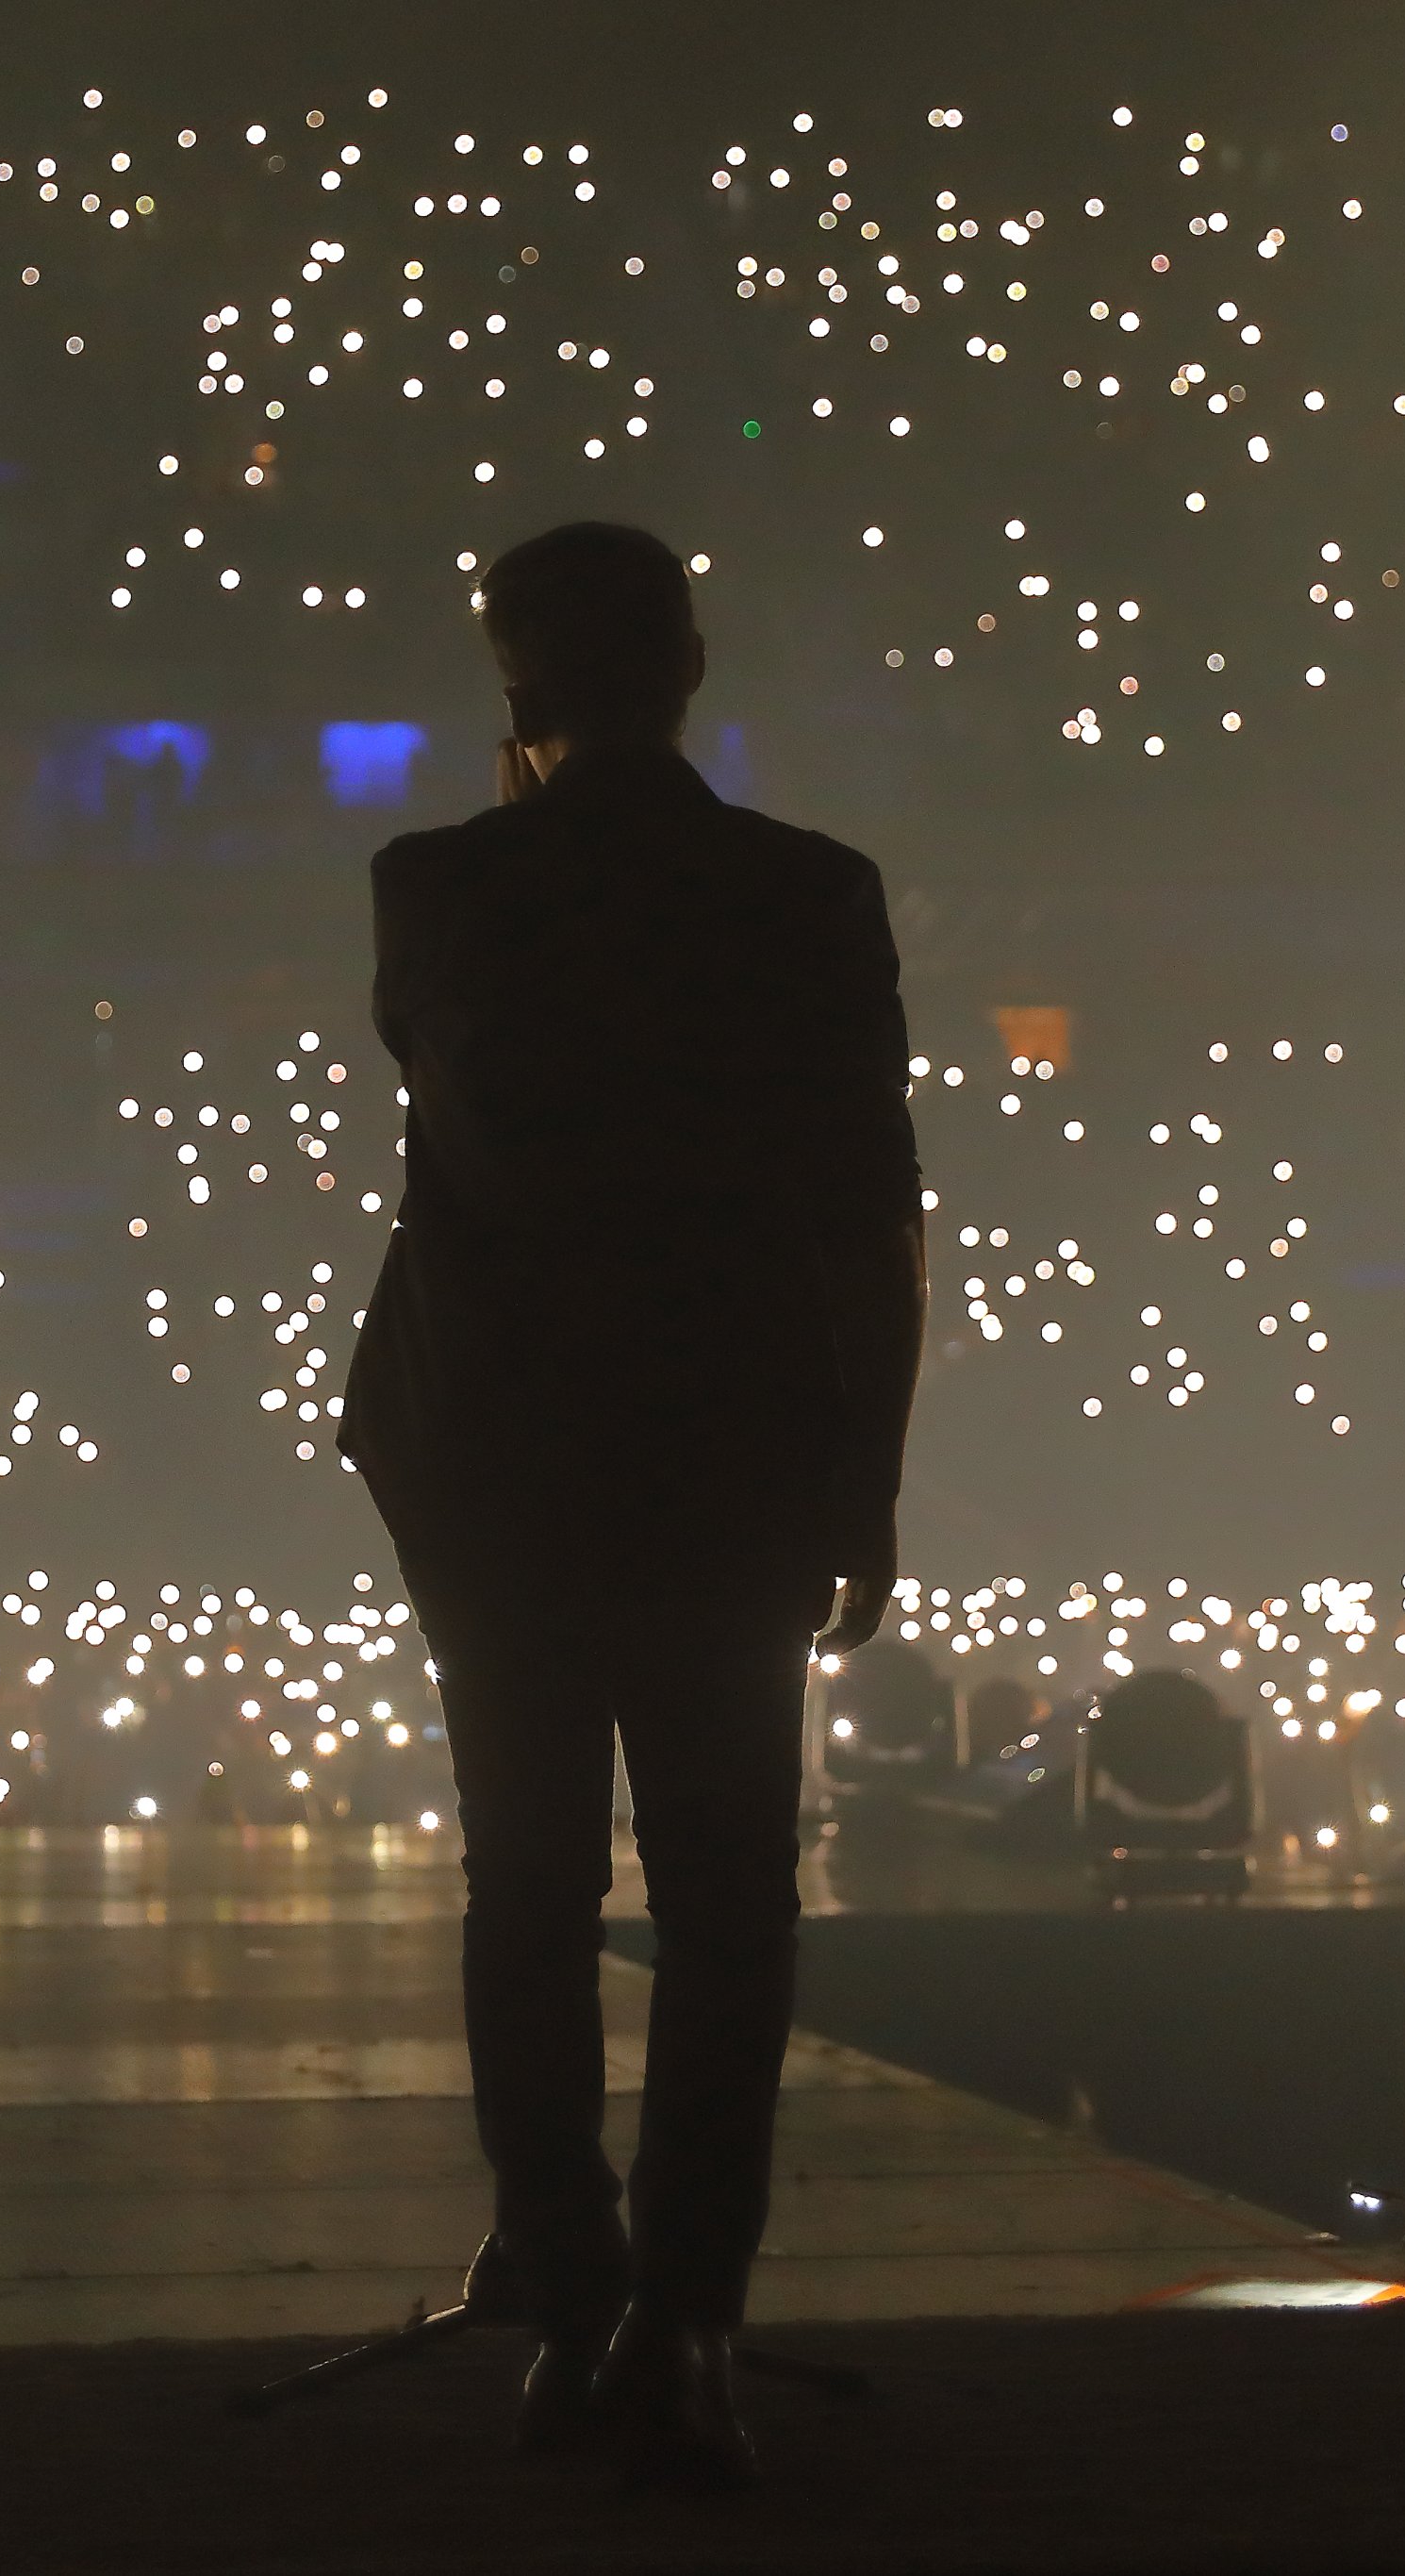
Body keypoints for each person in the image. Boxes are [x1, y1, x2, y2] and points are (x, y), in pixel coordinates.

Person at [339, 521, 925, 2486]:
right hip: (733, 1457)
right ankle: (688, 2317)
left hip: (497, 1458)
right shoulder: (806, 894)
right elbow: (866, 1209)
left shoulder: (435, 884)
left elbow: (461, 1097)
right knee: (727, 1901)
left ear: (516, 687)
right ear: (689, 668)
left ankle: (565, 2282)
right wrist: (869, 1480)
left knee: (526, 1883)